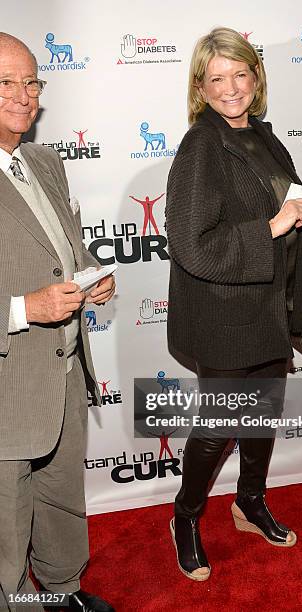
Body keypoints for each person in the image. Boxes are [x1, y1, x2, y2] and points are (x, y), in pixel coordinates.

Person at [166, 27, 302, 581]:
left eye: (241, 74)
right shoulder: (201, 144)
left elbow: (282, 207)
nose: (232, 88)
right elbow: (190, 241)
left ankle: (249, 501)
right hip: (224, 314)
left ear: (257, 77)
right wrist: (271, 225)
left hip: (270, 307)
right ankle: (185, 517)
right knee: (218, 426)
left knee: (264, 414)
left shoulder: (264, 136)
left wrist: (295, 210)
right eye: (217, 78)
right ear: (200, 87)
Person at [0, 33, 115, 611]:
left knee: (62, 497)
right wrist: (24, 309)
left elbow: (61, 247)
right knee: (5, 517)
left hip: (65, 367)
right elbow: (26, 291)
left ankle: (64, 590)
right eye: (5, 84)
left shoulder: (44, 161)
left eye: (31, 83)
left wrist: (92, 273)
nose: (23, 97)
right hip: (7, 381)